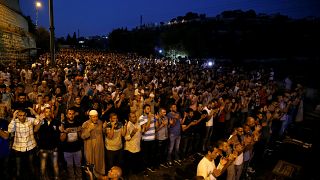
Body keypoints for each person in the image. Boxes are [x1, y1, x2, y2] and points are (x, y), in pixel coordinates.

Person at [35, 107, 60, 179]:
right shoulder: (41, 121)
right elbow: (35, 130)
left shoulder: (56, 121)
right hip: (43, 149)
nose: (48, 113)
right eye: (46, 112)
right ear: (44, 113)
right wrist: (40, 120)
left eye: (49, 112)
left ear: (52, 113)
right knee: (43, 167)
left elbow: (60, 133)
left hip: (54, 148)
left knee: (55, 166)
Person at [81, 110, 105, 177]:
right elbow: (83, 136)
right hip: (89, 148)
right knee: (90, 163)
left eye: (96, 117)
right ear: (90, 117)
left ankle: (99, 176)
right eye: (93, 117)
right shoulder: (85, 124)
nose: (96, 118)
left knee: (99, 162)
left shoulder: (100, 122)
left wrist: (104, 129)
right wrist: (89, 129)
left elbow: (102, 133)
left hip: (99, 147)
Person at [60, 108, 83, 179]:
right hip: (67, 150)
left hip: (77, 149)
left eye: (73, 114)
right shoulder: (63, 124)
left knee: (78, 166)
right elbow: (62, 139)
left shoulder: (78, 122)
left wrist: (79, 131)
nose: (71, 115)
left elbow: (81, 137)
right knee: (70, 167)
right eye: (70, 114)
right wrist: (65, 132)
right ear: (67, 115)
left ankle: (79, 178)